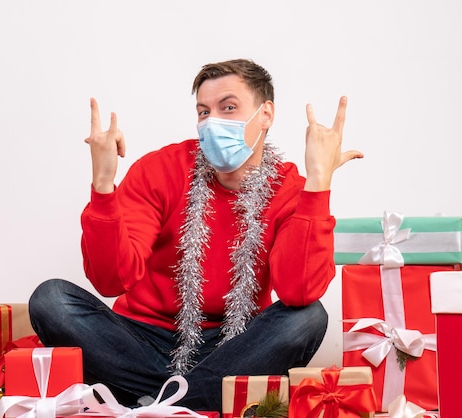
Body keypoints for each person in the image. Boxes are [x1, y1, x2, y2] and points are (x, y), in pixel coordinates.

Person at [29, 58, 363, 411]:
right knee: (51, 300)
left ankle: (160, 404)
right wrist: (103, 185)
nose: (212, 122)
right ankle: (190, 403)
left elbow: (299, 290)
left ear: (265, 114)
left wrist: (317, 184)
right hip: (140, 340)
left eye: (228, 107)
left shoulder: (289, 187)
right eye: (204, 112)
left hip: (233, 347)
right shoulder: (162, 169)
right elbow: (111, 280)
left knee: (309, 317)